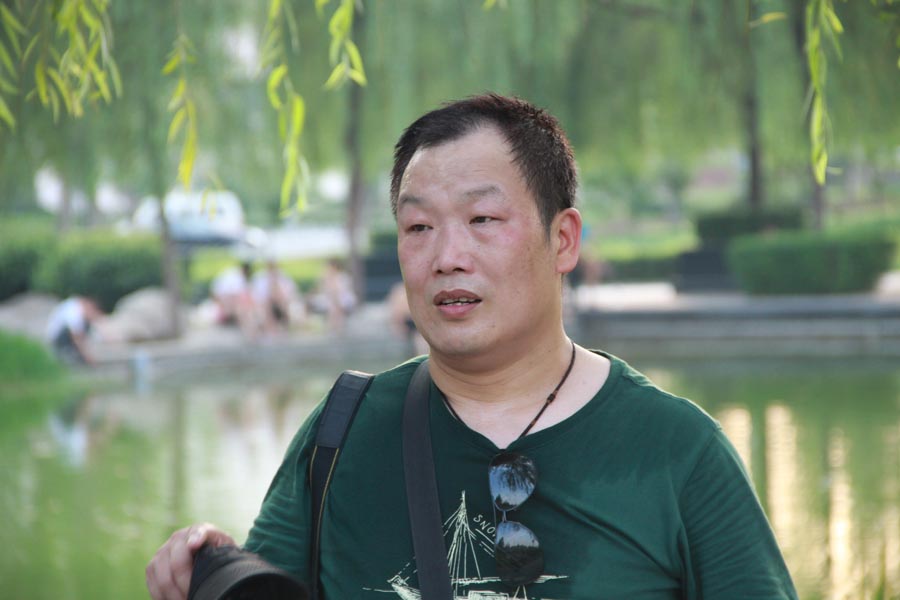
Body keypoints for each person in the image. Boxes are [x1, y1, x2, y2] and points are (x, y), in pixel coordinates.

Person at [147, 94, 798, 599]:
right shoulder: (340, 437)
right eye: (418, 227)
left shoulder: (678, 452)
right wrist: (207, 572)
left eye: (482, 219)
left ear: (563, 240)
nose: (447, 256)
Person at [44, 295, 103, 365]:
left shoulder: (77, 306)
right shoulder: (75, 312)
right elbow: (77, 337)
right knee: (80, 329)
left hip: (65, 334)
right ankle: (69, 353)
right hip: (57, 337)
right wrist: (88, 358)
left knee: (85, 326)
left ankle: (76, 353)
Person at [210, 261, 260, 339]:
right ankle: (251, 333)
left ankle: (252, 331)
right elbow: (235, 295)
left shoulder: (230, 274)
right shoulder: (236, 277)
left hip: (228, 303)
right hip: (226, 304)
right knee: (243, 310)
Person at [252, 259, 304, 333]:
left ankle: (287, 326)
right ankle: (271, 328)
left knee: (285, 304)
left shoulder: (283, 277)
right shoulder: (260, 278)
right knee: (266, 306)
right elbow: (258, 295)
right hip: (266, 303)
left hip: (282, 302)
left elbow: (290, 292)